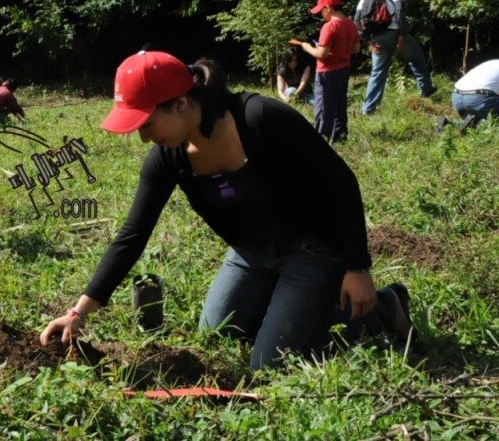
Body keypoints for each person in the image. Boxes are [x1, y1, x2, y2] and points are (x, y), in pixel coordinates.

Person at [38, 50, 413, 369]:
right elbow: (133, 234)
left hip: (312, 250)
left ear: (181, 104)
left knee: (268, 364)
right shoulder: (167, 158)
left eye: (147, 123)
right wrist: (78, 312)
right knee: (218, 333)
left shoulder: (261, 119)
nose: (144, 137)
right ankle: (289, 307)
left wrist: (357, 267)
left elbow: (340, 183)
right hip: (252, 253)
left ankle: (385, 306)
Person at [354, 0, 436, 115]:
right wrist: (402, 36)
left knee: (377, 72)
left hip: (377, 38)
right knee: (416, 59)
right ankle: (426, 90)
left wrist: (369, 42)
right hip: (395, 34)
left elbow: (356, 21)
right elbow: (400, 13)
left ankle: (368, 109)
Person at [301, 0, 359, 143]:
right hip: (344, 70)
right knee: (340, 104)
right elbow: (355, 49)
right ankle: (340, 137)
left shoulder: (329, 26)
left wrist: (307, 47)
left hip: (327, 72)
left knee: (324, 107)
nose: (321, 14)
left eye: (321, 10)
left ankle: (321, 139)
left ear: (328, 8)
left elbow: (322, 54)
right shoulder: (351, 24)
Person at [448, 59, 499, 130]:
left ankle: (450, 124)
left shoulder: (492, 62)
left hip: (457, 97)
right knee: (491, 122)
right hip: (477, 98)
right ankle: (482, 124)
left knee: (473, 123)